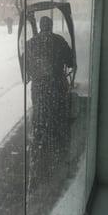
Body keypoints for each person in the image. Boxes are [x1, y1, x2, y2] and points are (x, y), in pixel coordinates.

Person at [26, 16, 74, 180]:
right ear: (51, 26)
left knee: (39, 113)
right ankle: (57, 146)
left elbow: (25, 67)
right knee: (57, 113)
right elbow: (70, 60)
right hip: (56, 85)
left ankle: (40, 143)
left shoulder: (30, 43)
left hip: (38, 87)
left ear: (40, 26)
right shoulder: (59, 41)